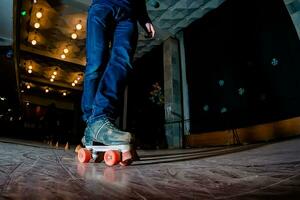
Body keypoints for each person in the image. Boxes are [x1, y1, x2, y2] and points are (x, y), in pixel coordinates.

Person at [81, 0, 155, 165]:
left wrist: (144, 19)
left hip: (129, 14)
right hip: (102, 6)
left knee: (123, 63)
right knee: (95, 64)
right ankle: (92, 123)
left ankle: (101, 116)